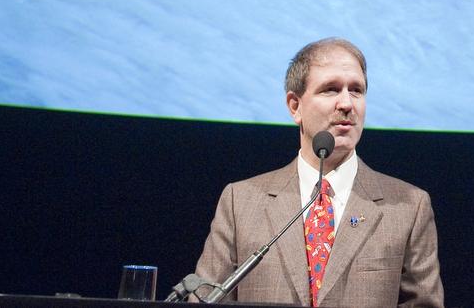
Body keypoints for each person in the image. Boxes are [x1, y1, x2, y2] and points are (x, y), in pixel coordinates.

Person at [190, 38, 445, 307]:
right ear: (295, 106)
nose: (347, 103)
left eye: (356, 90)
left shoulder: (408, 206)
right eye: (331, 90)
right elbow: (206, 299)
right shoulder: (240, 202)